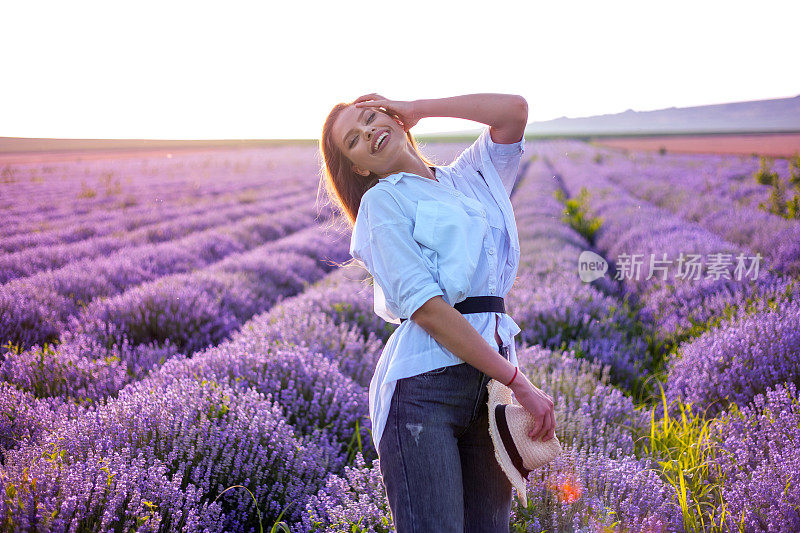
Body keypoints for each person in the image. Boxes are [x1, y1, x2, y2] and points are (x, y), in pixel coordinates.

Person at [319, 93, 556, 532]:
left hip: (489, 386)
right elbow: (427, 310)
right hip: (423, 391)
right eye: (355, 139)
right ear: (359, 168)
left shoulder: (469, 175)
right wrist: (516, 380)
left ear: (393, 117)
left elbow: (514, 113)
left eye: (371, 118)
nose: (369, 132)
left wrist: (419, 108)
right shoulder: (382, 204)